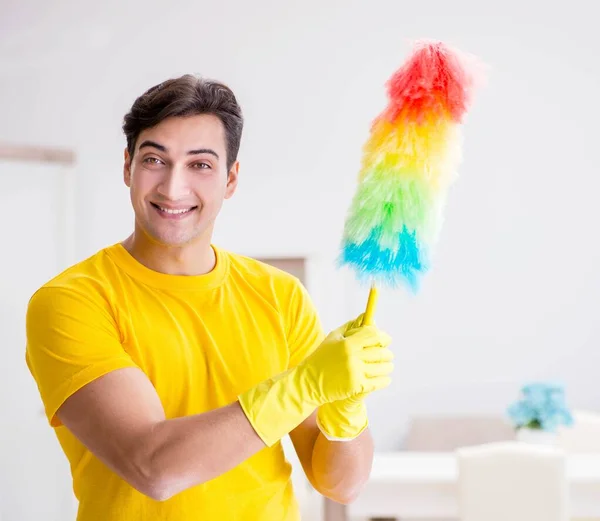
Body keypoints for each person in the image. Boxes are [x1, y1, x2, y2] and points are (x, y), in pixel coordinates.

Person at [25, 74, 394, 521]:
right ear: (128, 167)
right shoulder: (71, 302)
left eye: (200, 165)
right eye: (155, 160)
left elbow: (342, 484)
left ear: (231, 179)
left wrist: (346, 408)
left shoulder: (280, 296)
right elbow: (153, 466)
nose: (172, 187)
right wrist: (303, 386)